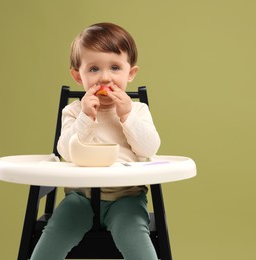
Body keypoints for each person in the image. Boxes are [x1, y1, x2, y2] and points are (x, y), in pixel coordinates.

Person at [30, 22, 161, 260]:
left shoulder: (138, 111)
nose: (104, 78)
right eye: (93, 69)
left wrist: (127, 116)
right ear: (77, 76)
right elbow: (66, 153)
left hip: (127, 198)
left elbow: (149, 149)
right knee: (52, 237)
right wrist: (86, 117)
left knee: (137, 242)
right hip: (81, 198)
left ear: (130, 73)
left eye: (114, 67)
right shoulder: (73, 111)